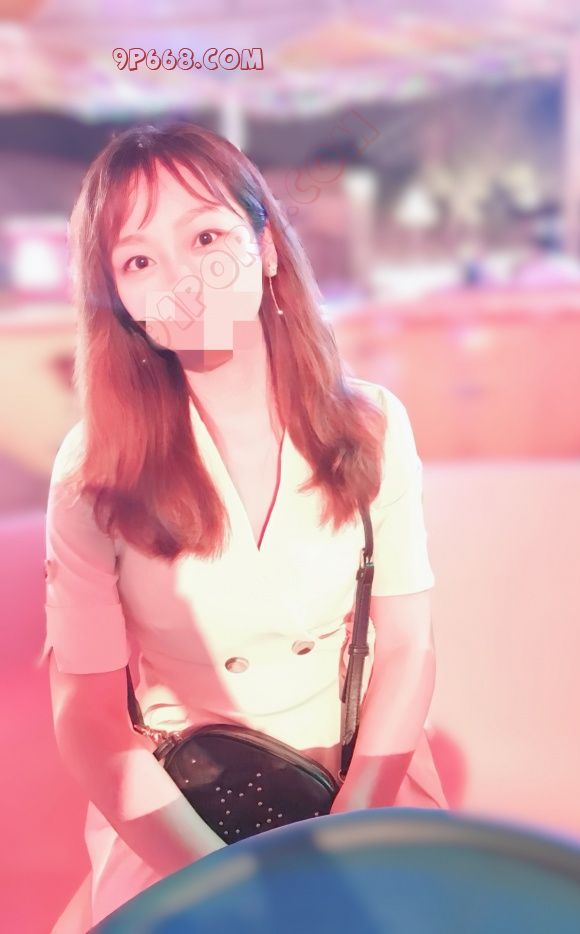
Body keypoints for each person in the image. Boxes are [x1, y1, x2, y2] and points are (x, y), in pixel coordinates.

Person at [38, 122, 448, 932]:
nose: (184, 283)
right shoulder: (94, 471)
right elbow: (86, 715)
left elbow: (408, 647)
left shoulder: (372, 425)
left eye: (207, 238)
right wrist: (229, 883)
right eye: (140, 261)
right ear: (119, 300)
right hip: (181, 808)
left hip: (360, 779)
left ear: (263, 249)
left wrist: (351, 833)